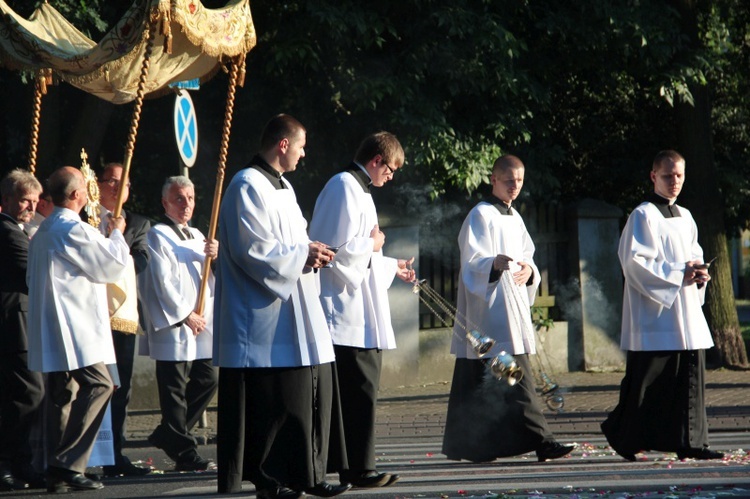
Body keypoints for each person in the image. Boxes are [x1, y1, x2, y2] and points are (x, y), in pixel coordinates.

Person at [213, 114, 350, 498]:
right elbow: (250, 248)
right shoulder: (245, 185)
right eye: (302, 146)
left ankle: (305, 474)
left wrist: (312, 252)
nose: (304, 154)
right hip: (260, 315)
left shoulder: (284, 188)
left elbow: (294, 241)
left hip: (294, 309)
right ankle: (270, 479)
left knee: (300, 397)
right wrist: (301, 254)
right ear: (283, 144)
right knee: (273, 403)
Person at [442, 154, 574, 463]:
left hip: (512, 310)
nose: (515, 186)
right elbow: (471, 263)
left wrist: (531, 273)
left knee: (488, 381)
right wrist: (492, 264)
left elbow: (528, 258)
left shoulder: (516, 218)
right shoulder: (480, 215)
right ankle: (543, 441)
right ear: (493, 180)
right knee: (515, 377)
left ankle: (471, 445)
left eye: (519, 181)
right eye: (509, 180)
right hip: (489, 313)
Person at [601, 150, 724, 461]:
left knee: (689, 379)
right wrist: (677, 274)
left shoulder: (686, 216)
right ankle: (624, 436)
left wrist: (699, 274)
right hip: (656, 315)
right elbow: (634, 263)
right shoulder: (643, 216)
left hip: (686, 312)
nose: (675, 182)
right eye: (668, 176)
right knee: (649, 381)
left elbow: (694, 254)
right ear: (654, 176)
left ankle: (692, 443)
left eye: (679, 176)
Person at [308, 131, 415, 488]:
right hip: (342, 311)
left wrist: (389, 264)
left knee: (359, 392)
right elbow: (332, 253)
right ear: (376, 160)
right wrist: (373, 243)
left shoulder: (359, 189)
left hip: (358, 311)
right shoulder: (343, 187)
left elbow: (361, 255)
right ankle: (357, 468)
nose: (392, 176)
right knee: (356, 391)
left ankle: (356, 466)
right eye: (391, 168)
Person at [26, 166, 129, 492]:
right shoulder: (73, 229)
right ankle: (67, 463)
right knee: (100, 385)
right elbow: (110, 264)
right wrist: (117, 232)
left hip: (54, 328)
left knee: (65, 395)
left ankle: (56, 471)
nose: (89, 192)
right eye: (85, 187)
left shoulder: (43, 230)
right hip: (76, 329)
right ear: (75, 195)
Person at [138, 176, 219, 472]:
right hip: (177, 321)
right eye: (179, 198)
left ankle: (170, 433)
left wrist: (217, 255)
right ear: (165, 203)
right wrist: (186, 314)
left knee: (208, 378)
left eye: (190, 198)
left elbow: (211, 277)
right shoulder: (157, 234)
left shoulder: (200, 234)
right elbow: (161, 281)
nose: (186, 204)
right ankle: (184, 452)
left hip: (202, 322)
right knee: (173, 387)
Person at [95, 162, 152, 477]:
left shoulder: (138, 223)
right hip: (89, 314)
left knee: (121, 386)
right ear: (98, 184)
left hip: (122, 316)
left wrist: (117, 245)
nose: (117, 188)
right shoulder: (84, 217)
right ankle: (88, 453)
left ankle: (115, 452)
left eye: (123, 183)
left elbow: (141, 260)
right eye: (111, 181)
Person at [0, 169, 45, 491]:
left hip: (20, 322)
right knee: (29, 394)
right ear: (6, 200)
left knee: (20, 395)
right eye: (23, 200)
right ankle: (12, 462)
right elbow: (33, 270)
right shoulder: (9, 232)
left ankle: (18, 462)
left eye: (33, 201)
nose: (30, 207)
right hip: (13, 323)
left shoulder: (21, 229)